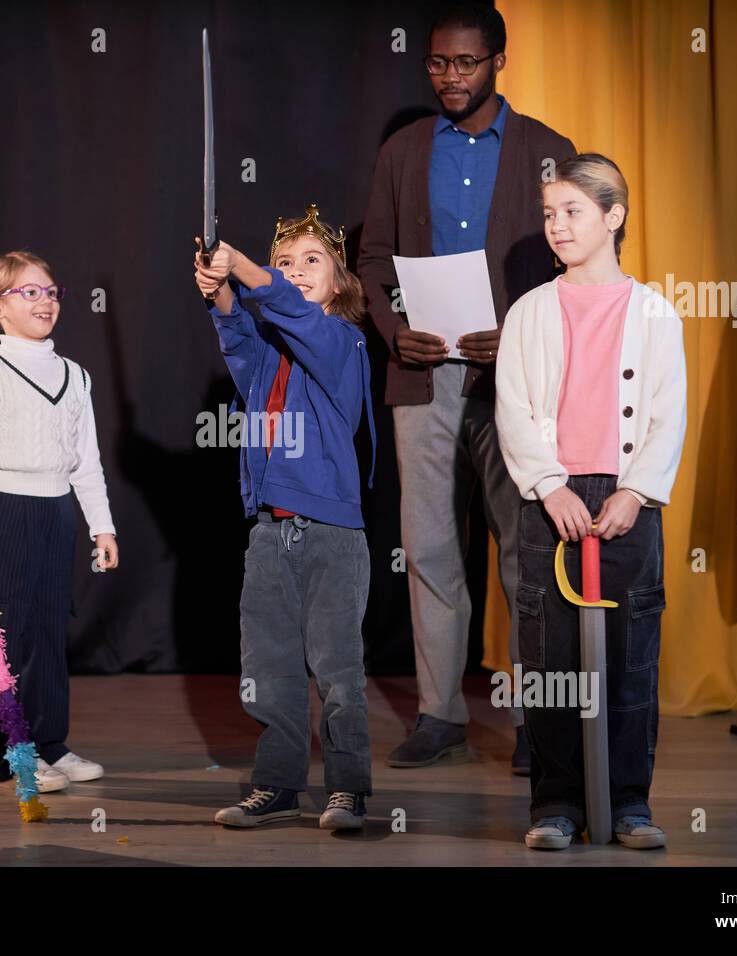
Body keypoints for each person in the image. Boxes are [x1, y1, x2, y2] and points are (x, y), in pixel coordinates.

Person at [357, 2, 576, 773]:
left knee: (526, 551)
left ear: (498, 61)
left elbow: (573, 268)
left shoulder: (549, 151)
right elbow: (372, 262)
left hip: (513, 379)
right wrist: (392, 332)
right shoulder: (403, 150)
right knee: (429, 549)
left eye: (466, 64)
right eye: (438, 64)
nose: (450, 77)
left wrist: (518, 328)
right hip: (423, 375)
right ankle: (440, 714)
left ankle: (537, 725)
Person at [494, 153, 686, 850]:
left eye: (573, 211)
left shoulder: (657, 313)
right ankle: (556, 805)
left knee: (632, 653)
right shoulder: (529, 312)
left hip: (626, 502)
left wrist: (635, 491)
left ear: (614, 216)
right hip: (553, 501)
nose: (557, 226)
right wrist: (549, 486)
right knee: (550, 659)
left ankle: (631, 803)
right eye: (549, 214)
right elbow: (513, 408)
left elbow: (668, 416)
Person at [193, 206, 376, 830]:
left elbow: (293, 314)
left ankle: (347, 788)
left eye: (311, 262)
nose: (296, 273)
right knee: (267, 670)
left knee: (338, 672)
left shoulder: (343, 341)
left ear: (340, 282)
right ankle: (276, 785)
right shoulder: (273, 348)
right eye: (286, 262)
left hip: (330, 533)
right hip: (270, 529)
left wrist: (244, 268)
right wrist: (222, 296)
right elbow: (243, 349)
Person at [0, 251, 119, 794]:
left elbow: (86, 460)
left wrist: (102, 526)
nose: (45, 300)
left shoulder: (75, 376)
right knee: (6, 633)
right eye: (30, 292)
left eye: (51, 291)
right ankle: (11, 753)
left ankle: (50, 744)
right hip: (4, 511)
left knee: (48, 633)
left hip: (56, 512)